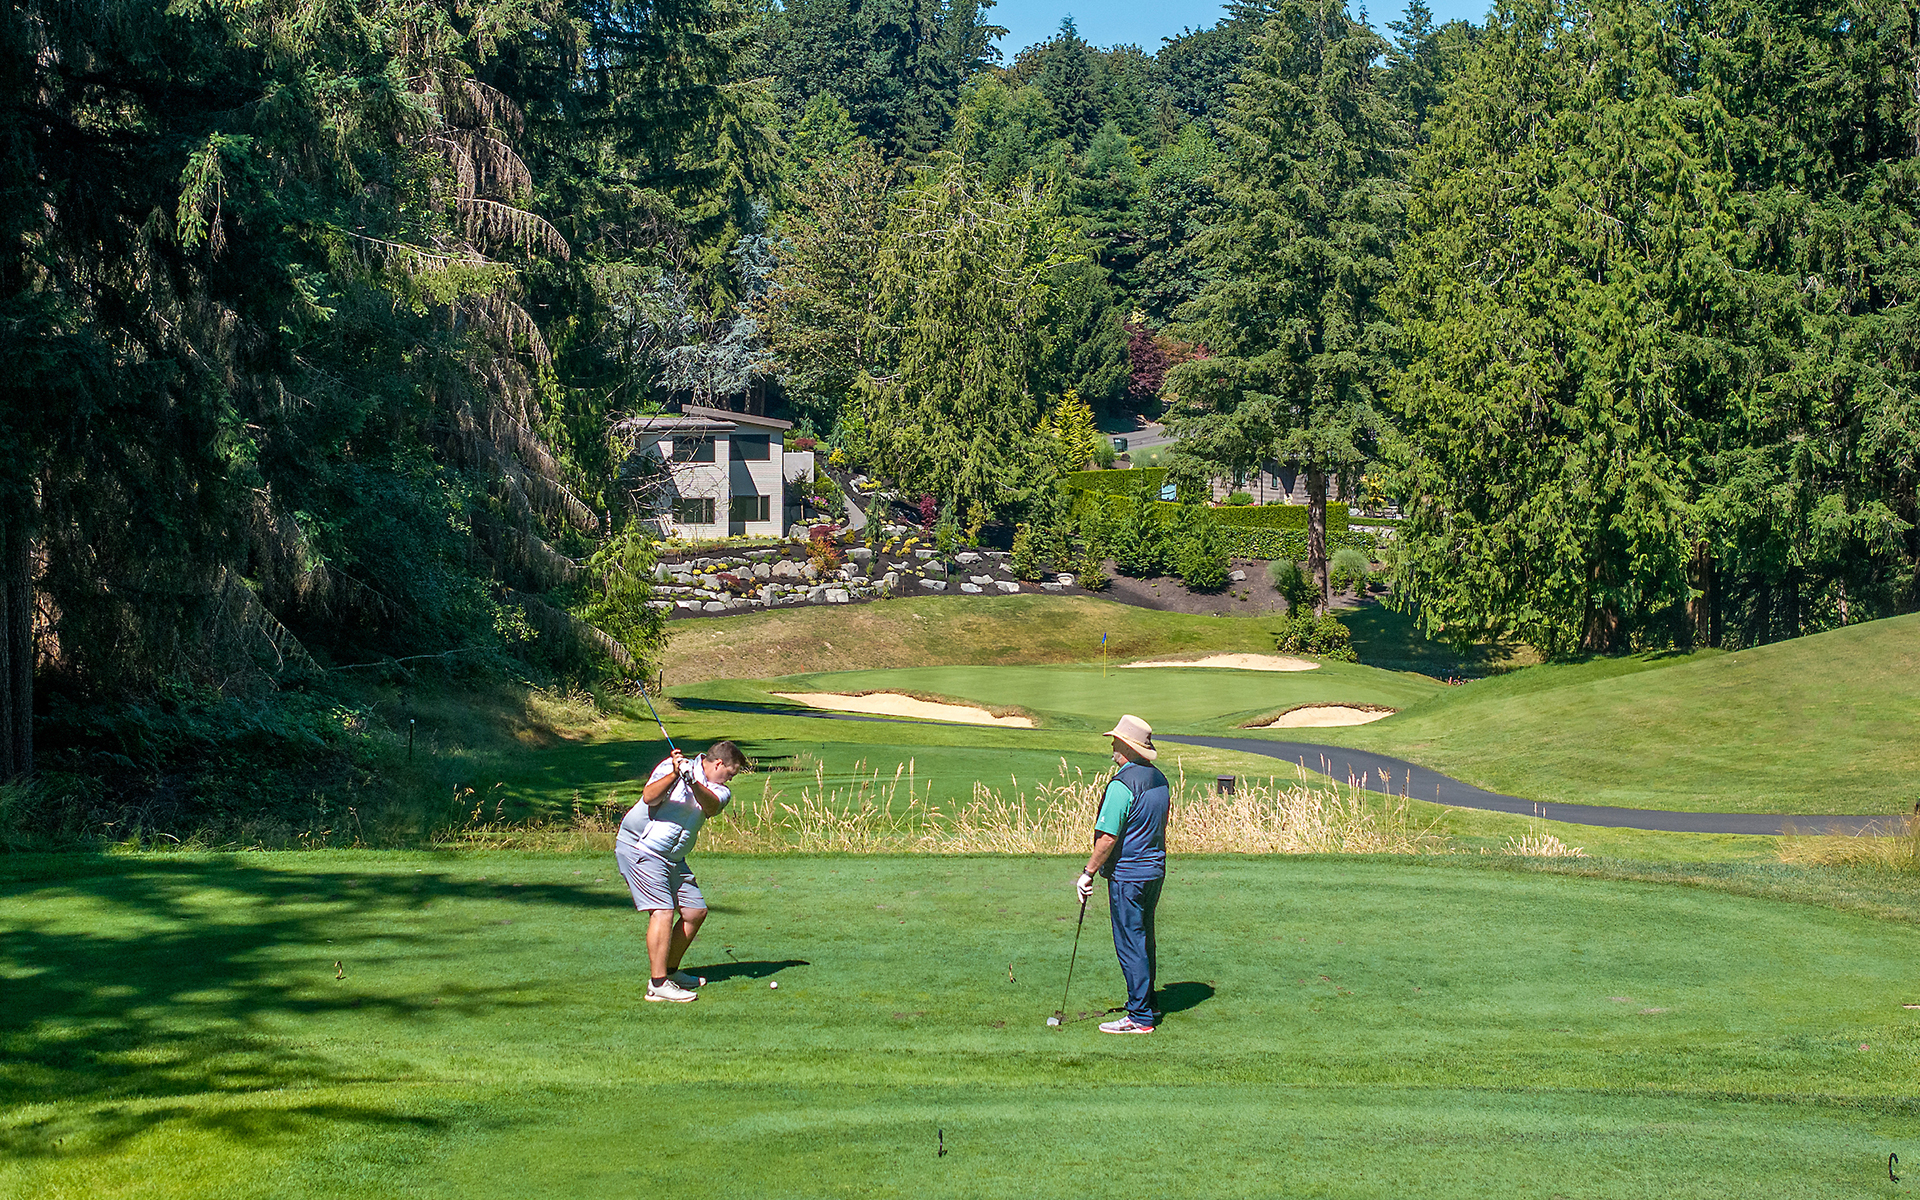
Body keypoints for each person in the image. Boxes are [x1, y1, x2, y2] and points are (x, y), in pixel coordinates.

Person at [616, 741, 748, 1002]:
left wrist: (692, 782)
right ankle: (657, 984)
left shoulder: (720, 791)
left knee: (695, 912)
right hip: (641, 847)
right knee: (662, 911)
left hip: (673, 858)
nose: (730, 779)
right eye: (730, 773)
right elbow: (649, 797)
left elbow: (710, 806)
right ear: (718, 764)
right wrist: (676, 774)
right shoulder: (672, 766)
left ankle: (670, 972)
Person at [1076, 714, 1171, 1034]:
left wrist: (1088, 872)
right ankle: (1149, 1003)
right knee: (1144, 937)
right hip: (1154, 870)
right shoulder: (1160, 779)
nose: (1113, 745)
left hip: (1128, 874)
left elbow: (1107, 838)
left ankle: (1140, 1016)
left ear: (1129, 747)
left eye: (1117, 740)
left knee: (1130, 941)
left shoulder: (1121, 785)